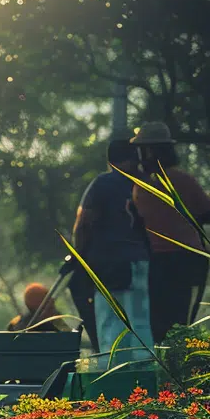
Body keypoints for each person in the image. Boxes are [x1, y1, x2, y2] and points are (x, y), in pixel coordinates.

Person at [130, 122, 210, 343]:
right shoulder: (183, 179)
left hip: (158, 263)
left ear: (150, 151)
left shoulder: (140, 186)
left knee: (159, 322)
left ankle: (166, 366)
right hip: (187, 259)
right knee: (181, 320)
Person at [72, 139, 154, 361]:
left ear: (110, 160)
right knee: (139, 320)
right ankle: (145, 373)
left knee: (110, 320)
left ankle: (112, 371)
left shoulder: (103, 184)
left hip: (106, 263)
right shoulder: (146, 183)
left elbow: (84, 223)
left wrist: (78, 255)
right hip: (139, 262)